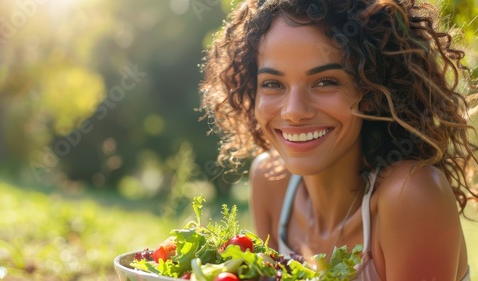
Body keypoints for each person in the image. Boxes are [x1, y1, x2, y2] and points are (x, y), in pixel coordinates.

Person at [199, 0, 477, 280]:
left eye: (325, 82)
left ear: (370, 92)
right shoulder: (270, 181)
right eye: (273, 84)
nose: (294, 112)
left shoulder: (410, 194)